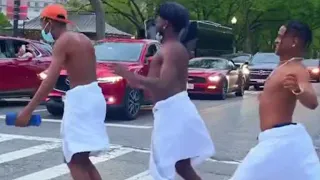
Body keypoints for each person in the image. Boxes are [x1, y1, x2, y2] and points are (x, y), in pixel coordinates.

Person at [111, 2, 215, 180]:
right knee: (180, 166)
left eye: (159, 18)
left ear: (166, 23)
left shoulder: (172, 49)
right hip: (170, 111)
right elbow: (155, 84)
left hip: (173, 112)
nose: (156, 22)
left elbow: (164, 84)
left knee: (162, 167)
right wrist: (136, 81)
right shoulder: (170, 48)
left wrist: (130, 75)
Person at [15, 4, 109, 180]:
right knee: (82, 159)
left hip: (81, 100)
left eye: (43, 24)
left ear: (48, 22)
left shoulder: (62, 42)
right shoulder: (83, 39)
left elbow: (49, 81)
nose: (42, 29)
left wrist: (27, 111)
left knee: (74, 160)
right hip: (94, 97)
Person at [230, 20, 320, 180]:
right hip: (274, 140)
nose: (276, 40)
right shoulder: (283, 66)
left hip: (278, 141)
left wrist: (297, 89)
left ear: (294, 42)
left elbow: (312, 102)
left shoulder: (296, 69)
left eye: (280, 36)